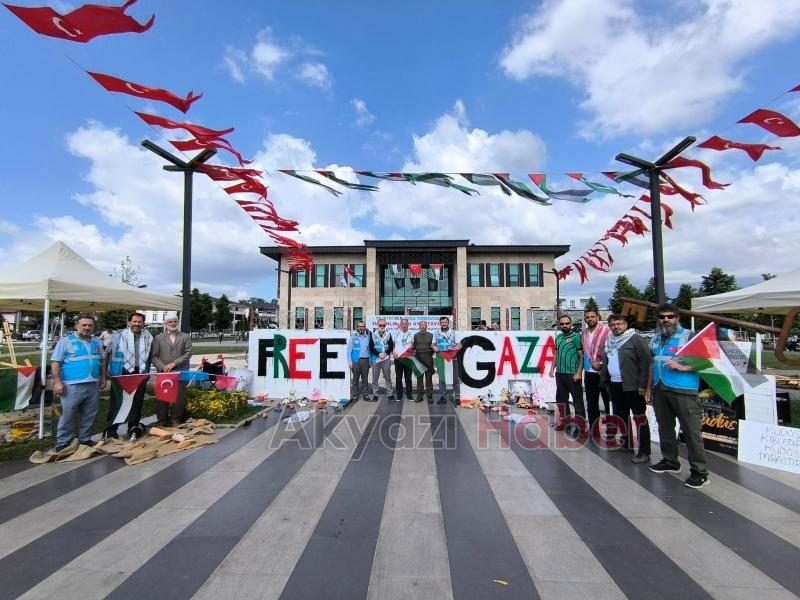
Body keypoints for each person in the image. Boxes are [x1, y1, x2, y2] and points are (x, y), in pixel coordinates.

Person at [647, 303, 710, 488]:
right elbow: (653, 363)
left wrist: (684, 367)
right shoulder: (656, 337)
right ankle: (670, 461)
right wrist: (649, 388)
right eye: (662, 316)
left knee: (691, 432)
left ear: (677, 318)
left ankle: (700, 472)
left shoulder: (688, 336)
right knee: (664, 427)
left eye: (670, 316)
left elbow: (708, 362)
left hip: (684, 390)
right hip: (660, 388)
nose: (665, 319)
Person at [599, 314, 652, 463]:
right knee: (621, 417)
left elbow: (646, 362)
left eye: (619, 324)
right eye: (613, 324)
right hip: (615, 385)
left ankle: (644, 452)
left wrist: (643, 385)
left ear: (626, 324)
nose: (616, 327)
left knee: (639, 418)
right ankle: (626, 443)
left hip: (633, 386)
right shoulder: (609, 341)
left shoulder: (635, 338)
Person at [51, 315, 106, 451]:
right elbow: (55, 363)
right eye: (84, 325)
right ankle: (63, 441)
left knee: (90, 413)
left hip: (92, 382)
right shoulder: (65, 341)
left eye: (90, 325)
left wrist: (103, 378)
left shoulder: (98, 342)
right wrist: (58, 383)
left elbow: (103, 360)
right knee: (68, 414)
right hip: (72, 384)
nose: (87, 328)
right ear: (77, 326)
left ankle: (85, 438)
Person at [103, 312, 153, 438]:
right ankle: (111, 429)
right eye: (134, 321)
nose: (137, 324)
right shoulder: (118, 337)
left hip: (140, 372)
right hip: (121, 372)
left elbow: (151, 356)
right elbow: (107, 353)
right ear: (129, 322)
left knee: (137, 401)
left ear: (143, 323)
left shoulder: (148, 337)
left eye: (139, 322)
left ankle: (133, 426)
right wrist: (105, 371)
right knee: (117, 401)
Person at [151, 314, 192, 425]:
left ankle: (176, 419)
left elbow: (188, 353)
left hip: (180, 370)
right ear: (165, 324)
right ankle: (162, 420)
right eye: (170, 322)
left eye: (175, 321)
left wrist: (174, 363)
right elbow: (154, 356)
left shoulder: (185, 337)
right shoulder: (158, 338)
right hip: (164, 372)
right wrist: (162, 367)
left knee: (179, 397)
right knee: (163, 396)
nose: (173, 323)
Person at [548, 315, 585, 431]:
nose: (565, 325)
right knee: (561, 400)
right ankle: (565, 422)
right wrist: (552, 368)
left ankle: (581, 426)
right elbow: (556, 354)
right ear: (559, 325)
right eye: (562, 324)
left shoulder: (576, 336)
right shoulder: (558, 337)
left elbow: (581, 356)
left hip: (573, 374)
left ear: (571, 323)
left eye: (567, 323)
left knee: (577, 401)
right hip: (560, 373)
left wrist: (579, 372)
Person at [581, 309, 611, 434]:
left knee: (608, 402)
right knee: (591, 402)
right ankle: (594, 429)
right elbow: (584, 353)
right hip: (589, 372)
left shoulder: (607, 331)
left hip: (605, 372)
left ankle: (610, 430)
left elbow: (612, 352)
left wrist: (602, 364)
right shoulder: (584, 333)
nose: (590, 319)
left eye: (592, 316)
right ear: (585, 319)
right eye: (587, 317)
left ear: (597, 317)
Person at [433, 316, 461, 405]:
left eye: (445, 322)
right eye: (442, 322)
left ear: (448, 323)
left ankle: (457, 396)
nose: (444, 324)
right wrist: (434, 347)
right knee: (442, 377)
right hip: (441, 357)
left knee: (455, 377)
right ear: (440, 323)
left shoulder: (453, 332)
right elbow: (432, 344)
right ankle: (443, 396)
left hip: (452, 357)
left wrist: (457, 348)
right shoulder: (436, 332)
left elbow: (459, 344)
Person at [369, 319, 394, 401]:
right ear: (377, 325)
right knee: (375, 377)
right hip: (375, 359)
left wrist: (385, 353)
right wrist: (378, 354)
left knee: (387, 377)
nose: (382, 327)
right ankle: (375, 394)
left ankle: (390, 394)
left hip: (386, 358)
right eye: (380, 325)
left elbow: (391, 346)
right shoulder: (372, 334)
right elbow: (371, 347)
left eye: (384, 325)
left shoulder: (388, 334)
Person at [346, 321, 371, 402]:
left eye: (362, 326)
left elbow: (369, 350)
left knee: (365, 379)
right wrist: (350, 362)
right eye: (359, 326)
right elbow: (349, 351)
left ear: (364, 327)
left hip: (365, 360)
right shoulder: (353, 337)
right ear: (357, 327)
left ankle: (365, 395)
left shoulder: (367, 337)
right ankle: (355, 395)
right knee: (355, 379)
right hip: (355, 361)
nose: (361, 328)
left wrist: (370, 361)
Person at [391, 318, 414, 401]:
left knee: (408, 378)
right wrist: (393, 351)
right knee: (398, 378)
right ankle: (399, 395)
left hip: (408, 359)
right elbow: (392, 345)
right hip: (398, 359)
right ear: (400, 325)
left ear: (408, 325)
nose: (404, 325)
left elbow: (414, 346)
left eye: (406, 324)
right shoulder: (395, 334)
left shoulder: (412, 334)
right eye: (403, 324)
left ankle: (409, 395)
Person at [412, 320, 435, 403]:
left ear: (426, 326)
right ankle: (419, 396)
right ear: (419, 326)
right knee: (419, 379)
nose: (423, 326)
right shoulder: (416, 335)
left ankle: (429, 397)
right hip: (418, 360)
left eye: (424, 325)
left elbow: (433, 348)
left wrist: (428, 354)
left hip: (428, 360)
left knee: (429, 379)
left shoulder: (431, 335)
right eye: (421, 325)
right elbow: (414, 346)